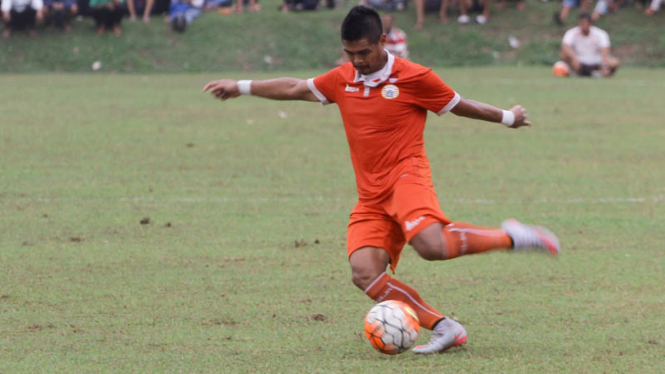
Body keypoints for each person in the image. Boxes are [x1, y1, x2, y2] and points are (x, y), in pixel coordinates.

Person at [203, 6, 560, 354]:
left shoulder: (414, 77)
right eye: (349, 53)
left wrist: (508, 118)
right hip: (371, 196)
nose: (357, 60)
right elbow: (295, 87)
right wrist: (241, 86)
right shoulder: (342, 79)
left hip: (406, 177)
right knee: (364, 272)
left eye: (364, 52)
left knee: (431, 247)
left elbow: (460, 104)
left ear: (383, 41)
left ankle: (512, 236)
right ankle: (445, 327)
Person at [560, 13, 620, 77]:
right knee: (563, 54)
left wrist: (604, 65)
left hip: (597, 61)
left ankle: (603, 73)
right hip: (579, 61)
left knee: (614, 62)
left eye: (584, 23)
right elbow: (565, 46)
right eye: (580, 23)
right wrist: (574, 58)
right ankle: (575, 71)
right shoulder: (571, 33)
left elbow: (604, 50)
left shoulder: (600, 34)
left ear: (590, 23)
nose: (582, 25)